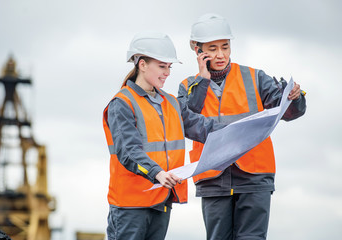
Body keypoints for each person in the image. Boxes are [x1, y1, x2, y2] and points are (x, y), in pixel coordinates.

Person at [178, 13, 307, 240]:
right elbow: (187, 120)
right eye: (212, 48)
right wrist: (203, 79)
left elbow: (290, 112)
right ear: (197, 50)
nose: (221, 54)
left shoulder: (255, 77)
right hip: (213, 177)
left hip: (255, 175)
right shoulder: (188, 86)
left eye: (225, 47)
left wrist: (295, 98)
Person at [102, 32, 223, 240]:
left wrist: (242, 130)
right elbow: (128, 151)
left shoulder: (172, 103)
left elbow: (202, 127)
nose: (167, 72)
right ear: (142, 64)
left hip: (161, 201)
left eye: (169, 67)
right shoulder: (122, 103)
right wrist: (157, 173)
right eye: (162, 66)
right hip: (130, 206)